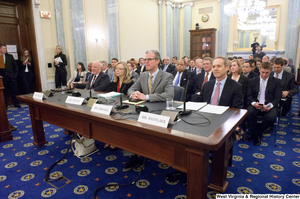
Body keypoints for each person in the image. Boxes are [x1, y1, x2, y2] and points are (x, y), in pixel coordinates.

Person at [125, 50, 174, 171]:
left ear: (157, 61)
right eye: (145, 59)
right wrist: (134, 95)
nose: (146, 62)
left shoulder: (167, 76)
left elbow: (169, 95)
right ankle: (132, 156)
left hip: (159, 111)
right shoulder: (143, 75)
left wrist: (146, 97)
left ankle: (158, 154)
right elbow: (130, 90)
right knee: (128, 124)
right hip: (143, 109)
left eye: (149, 59)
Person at [246, 62, 282, 146]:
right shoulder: (252, 81)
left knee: (271, 117)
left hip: (269, 105)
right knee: (248, 113)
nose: (264, 75)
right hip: (256, 104)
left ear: (271, 71)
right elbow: (249, 95)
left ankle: (256, 132)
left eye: (267, 72)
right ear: (259, 70)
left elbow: (277, 98)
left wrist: (269, 106)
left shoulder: (277, 82)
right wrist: (254, 103)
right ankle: (257, 134)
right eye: (262, 72)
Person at [103, 61, 135, 151]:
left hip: (126, 107)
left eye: (120, 69)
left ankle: (115, 141)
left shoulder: (130, 83)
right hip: (115, 105)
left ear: (125, 71)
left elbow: (130, 97)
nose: (117, 71)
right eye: (116, 69)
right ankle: (109, 139)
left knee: (115, 118)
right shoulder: (113, 82)